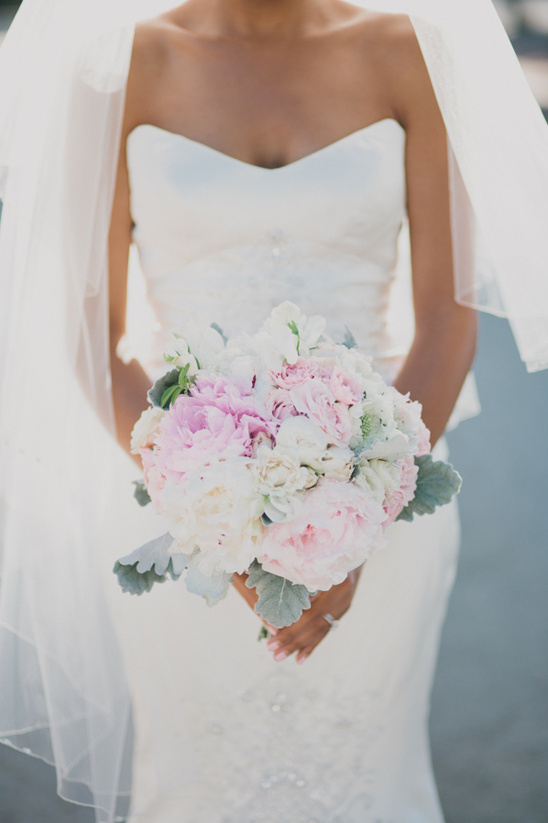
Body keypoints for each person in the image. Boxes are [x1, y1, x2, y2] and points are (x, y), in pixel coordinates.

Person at [0, 1, 547, 822]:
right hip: (179, 515)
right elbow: (94, 330)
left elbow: (447, 317)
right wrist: (208, 514)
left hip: (386, 507)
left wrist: (360, 515)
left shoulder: (408, 52)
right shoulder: (118, 66)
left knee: (370, 772)